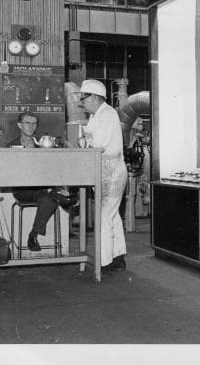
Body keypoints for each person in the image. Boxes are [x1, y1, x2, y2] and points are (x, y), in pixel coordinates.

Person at [6, 111, 77, 253]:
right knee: (51, 194)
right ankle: (65, 199)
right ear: (20, 125)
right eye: (27, 123)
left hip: (42, 190)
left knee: (49, 199)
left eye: (34, 124)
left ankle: (32, 236)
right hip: (23, 191)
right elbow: (8, 172)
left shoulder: (43, 146)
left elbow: (51, 170)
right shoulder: (10, 147)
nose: (31, 126)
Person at [77, 79, 128, 274]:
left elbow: (98, 144)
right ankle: (117, 257)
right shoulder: (96, 116)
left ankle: (104, 261)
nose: (83, 103)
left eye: (85, 98)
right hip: (103, 169)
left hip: (112, 171)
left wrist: (85, 141)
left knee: (104, 216)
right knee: (112, 216)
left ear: (95, 98)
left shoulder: (108, 114)